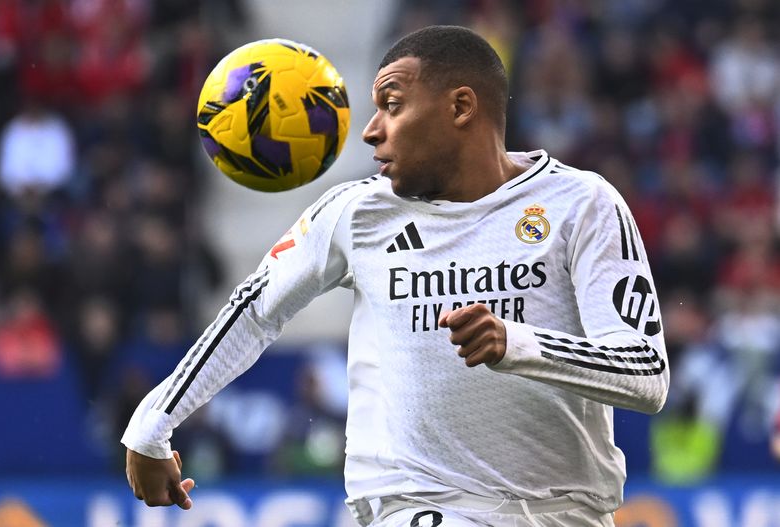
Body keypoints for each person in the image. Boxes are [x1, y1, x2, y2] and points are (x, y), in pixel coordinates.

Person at [122, 25, 669, 527]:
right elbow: (256, 311)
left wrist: (517, 343)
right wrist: (154, 422)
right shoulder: (356, 213)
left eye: (392, 105)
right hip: (421, 507)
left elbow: (646, 373)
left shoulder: (581, 204)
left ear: (460, 107)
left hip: (570, 513)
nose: (370, 131)